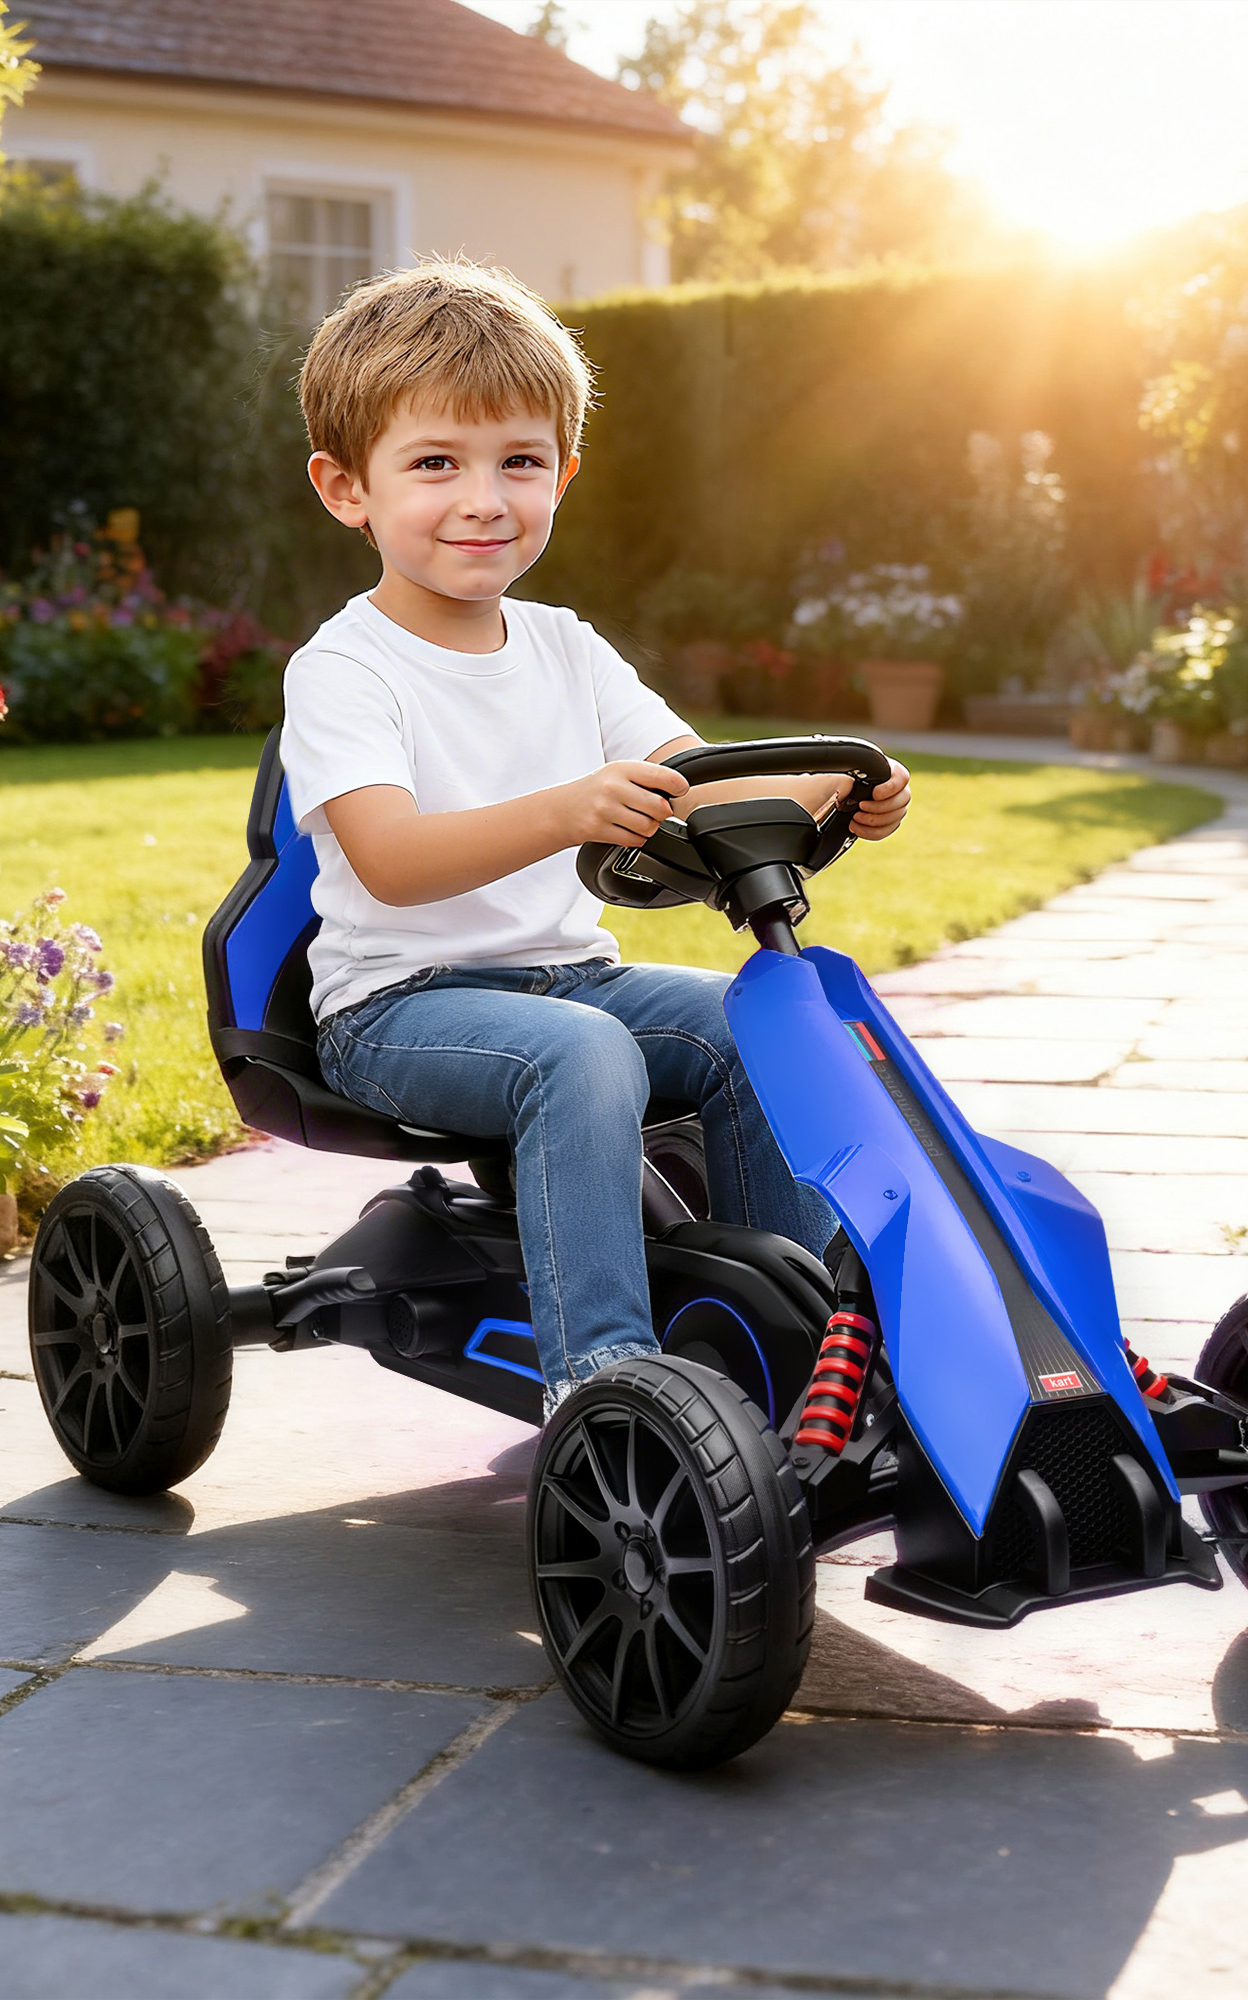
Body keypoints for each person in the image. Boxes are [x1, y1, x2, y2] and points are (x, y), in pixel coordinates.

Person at [280, 260, 911, 1417]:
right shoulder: (345, 666)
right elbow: (392, 858)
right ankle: (607, 1383)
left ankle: (799, 1338)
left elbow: (697, 780)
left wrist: (835, 790)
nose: (484, 498)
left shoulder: (567, 645)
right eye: (436, 463)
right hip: (400, 1004)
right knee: (584, 1057)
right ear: (345, 488)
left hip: (571, 978)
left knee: (755, 1017)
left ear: (562, 474)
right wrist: (564, 811)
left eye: (519, 461)